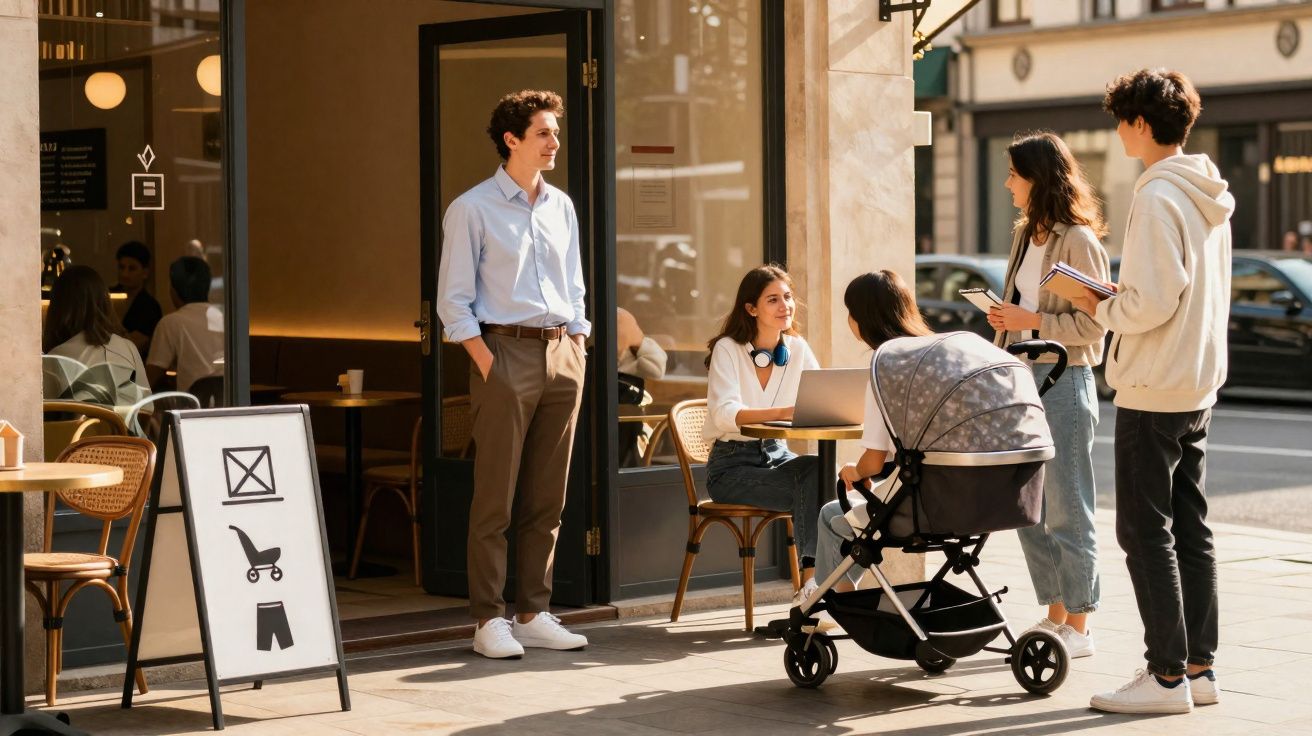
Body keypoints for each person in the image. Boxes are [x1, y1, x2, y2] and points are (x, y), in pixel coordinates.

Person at [1070, 68, 1233, 715]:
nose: (1118, 131)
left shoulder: (1158, 195)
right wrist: (1123, 300)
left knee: (1146, 533)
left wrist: (1099, 304)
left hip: (1152, 385)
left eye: (1120, 120)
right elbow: (1183, 293)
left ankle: (1164, 677)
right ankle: (1198, 671)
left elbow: (1153, 301)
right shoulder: (1206, 194)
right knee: (1190, 528)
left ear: (1140, 123)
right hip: (1195, 384)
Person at [436, 89, 590, 660]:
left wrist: (578, 341)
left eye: (555, 132)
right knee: (495, 498)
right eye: (544, 133)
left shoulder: (562, 206)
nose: (554, 143)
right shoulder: (472, 208)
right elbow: (453, 303)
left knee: (548, 496)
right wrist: (488, 363)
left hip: (561, 354)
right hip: (504, 353)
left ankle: (532, 610)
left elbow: (574, 285)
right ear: (513, 139)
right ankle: (487, 619)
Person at [988, 131, 1110, 659]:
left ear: (1038, 178)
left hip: (1064, 379)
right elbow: (1018, 308)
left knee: (1067, 506)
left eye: (1015, 173)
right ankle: (1056, 609)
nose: (1008, 182)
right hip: (1020, 378)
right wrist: (1004, 322)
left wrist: (1032, 320)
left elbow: (1095, 325)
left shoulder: (1078, 241)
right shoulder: (1024, 235)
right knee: (1027, 506)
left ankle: (1078, 625)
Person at [812, 271, 932, 600]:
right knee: (850, 516)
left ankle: (828, 600)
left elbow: (873, 459)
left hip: (917, 507)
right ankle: (837, 592)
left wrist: (856, 471)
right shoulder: (936, 359)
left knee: (832, 515)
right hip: (970, 501)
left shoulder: (887, 368)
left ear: (861, 318)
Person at [703, 265, 821, 594]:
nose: (785, 305)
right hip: (731, 467)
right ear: (751, 309)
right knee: (816, 483)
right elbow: (725, 414)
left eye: (788, 297)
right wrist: (784, 411)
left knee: (826, 478)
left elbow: (822, 397)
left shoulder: (797, 348)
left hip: (777, 454)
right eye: (773, 299)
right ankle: (814, 584)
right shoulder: (728, 348)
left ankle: (815, 584)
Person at [43, 265, 150, 403]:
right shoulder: (128, 348)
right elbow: (146, 408)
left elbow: (42, 417)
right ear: (104, 301)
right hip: (123, 425)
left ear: (57, 308)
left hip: (79, 425)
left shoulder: (54, 358)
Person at [146, 256, 225, 392]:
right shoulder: (223, 318)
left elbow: (149, 377)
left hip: (192, 406)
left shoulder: (171, 322)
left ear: (174, 289)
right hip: (228, 405)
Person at [111, 241, 163, 356]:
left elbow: (133, 346)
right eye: (121, 267)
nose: (124, 274)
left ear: (145, 273)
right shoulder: (107, 296)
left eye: (132, 268)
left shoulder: (150, 306)